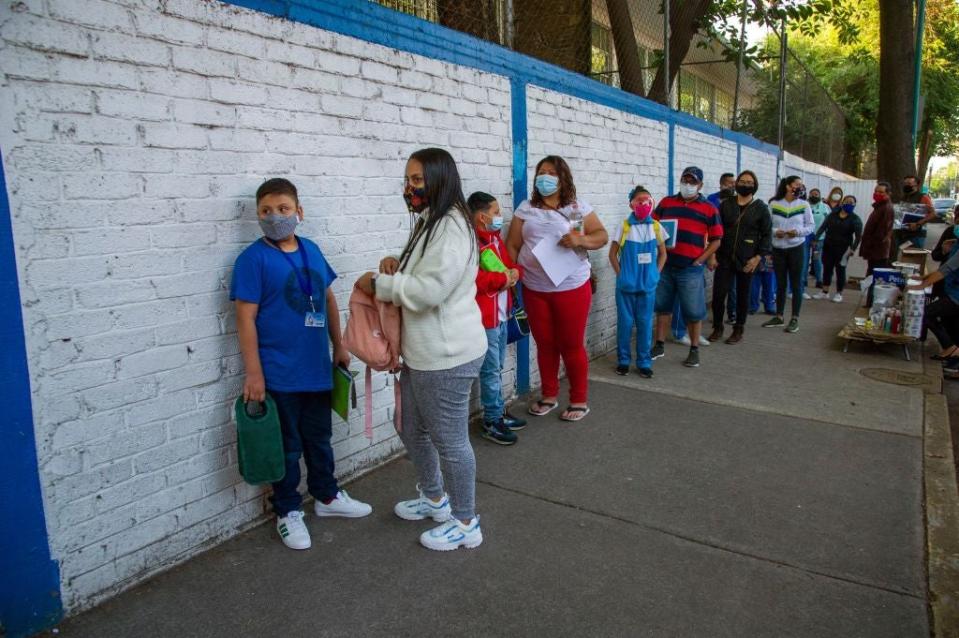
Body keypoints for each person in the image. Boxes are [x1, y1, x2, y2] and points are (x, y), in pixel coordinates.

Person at [356, 148, 487, 551]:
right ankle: (435, 498)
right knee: (408, 425)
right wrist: (398, 263)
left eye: (417, 180)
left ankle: (466, 523)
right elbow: (425, 273)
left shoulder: (451, 226)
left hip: (448, 354)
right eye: (408, 180)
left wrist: (379, 285)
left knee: (449, 439)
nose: (410, 188)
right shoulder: (432, 220)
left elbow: (432, 291)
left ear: (439, 179)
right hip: (424, 352)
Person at [231, 178, 372, 551]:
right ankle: (288, 510)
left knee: (319, 439)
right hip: (278, 374)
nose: (275, 217)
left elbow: (327, 298)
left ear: (299, 212)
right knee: (287, 447)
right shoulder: (252, 260)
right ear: (257, 216)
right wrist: (254, 372)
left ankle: (327, 497)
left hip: (316, 370)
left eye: (283, 209)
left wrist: (338, 345)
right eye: (266, 211)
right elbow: (244, 319)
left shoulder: (311, 250)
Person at [506, 155, 608, 422]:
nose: (545, 177)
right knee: (545, 343)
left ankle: (579, 399)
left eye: (551, 173)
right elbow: (513, 245)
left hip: (571, 286)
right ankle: (549, 395)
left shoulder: (578, 207)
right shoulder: (525, 208)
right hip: (534, 288)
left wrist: (580, 238)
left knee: (571, 344)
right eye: (541, 172)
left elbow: (601, 236)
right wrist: (511, 273)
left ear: (563, 178)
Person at [651, 166, 723, 368]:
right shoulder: (667, 202)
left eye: (693, 182)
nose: (688, 185)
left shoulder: (709, 208)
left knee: (693, 310)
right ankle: (659, 344)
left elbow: (716, 239)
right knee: (663, 307)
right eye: (685, 180)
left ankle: (694, 349)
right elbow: (653, 226)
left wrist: (701, 259)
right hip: (665, 265)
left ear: (700, 185)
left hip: (690, 268)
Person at [467, 191, 523, 446]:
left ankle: (498, 411)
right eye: (496, 212)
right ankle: (491, 420)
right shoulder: (472, 245)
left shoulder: (495, 239)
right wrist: (504, 278)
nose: (500, 216)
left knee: (497, 367)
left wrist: (514, 273)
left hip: (501, 316)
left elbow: (510, 265)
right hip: (486, 320)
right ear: (481, 217)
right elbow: (474, 280)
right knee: (490, 371)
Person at [609, 186, 667, 377]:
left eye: (647, 200)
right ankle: (623, 360)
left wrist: (655, 274)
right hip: (626, 287)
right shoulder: (624, 227)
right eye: (639, 201)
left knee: (644, 325)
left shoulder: (656, 227)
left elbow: (663, 255)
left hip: (647, 288)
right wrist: (621, 274)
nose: (644, 204)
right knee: (625, 325)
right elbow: (612, 255)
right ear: (631, 204)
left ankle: (644, 362)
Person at [708, 170, 771, 344]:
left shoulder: (761, 208)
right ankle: (718, 327)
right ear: (736, 184)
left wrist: (758, 257)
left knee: (743, 295)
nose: (745, 184)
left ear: (755, 186)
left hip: (747, 259)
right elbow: (716, 231)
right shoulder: (726, 204)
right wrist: (712, 254)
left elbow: (766, 235)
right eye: (742, 181)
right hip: (724, 256)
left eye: (750, 182)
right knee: (719, 294)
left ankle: (738, 329)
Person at [763, 176, 814, 333]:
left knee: (797, 283)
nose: (799, 187)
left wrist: (797, 232)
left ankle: (794, 318)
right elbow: (766, 225)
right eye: (796, 184)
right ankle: (779, 316)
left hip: (796, 248)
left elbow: (811, 226)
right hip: (778, 249)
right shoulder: (774, 203)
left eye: (801, 185)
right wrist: (775, 232)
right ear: (787, 186)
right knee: (780, 284)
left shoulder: (804, 204)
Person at [908, 234, 959, 376]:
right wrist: (923, 278)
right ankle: (952, 354)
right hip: (952, 292)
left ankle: (951, 350)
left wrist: (924, 284)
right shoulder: (956, 243)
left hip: (956, 296)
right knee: (949, 323)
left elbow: (947, 269)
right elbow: (944, 266)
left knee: (926, 312)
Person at [813, 195, 863, 303]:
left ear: (854, 205)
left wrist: (853, 248)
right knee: (827, 268)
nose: (848, 204)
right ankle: (824, 292)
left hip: (844, 248)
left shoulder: (855, 219)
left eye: (851, 202)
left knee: (840, 270)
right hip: (829, 245)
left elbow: (858, 236)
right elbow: (823, 227)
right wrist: (816, 239)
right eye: (847, 201)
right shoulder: (833, 215)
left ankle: (839, 293)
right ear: (842, 202)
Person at [707, 173, 738, 324]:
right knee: (718, 285)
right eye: (729, 183)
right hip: (714, 244)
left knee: (731, 284)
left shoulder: (737, 200)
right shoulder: (711, 199)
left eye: (734, 183)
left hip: (730, 246)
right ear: (721, 184)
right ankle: (717, 315)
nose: (732, 185)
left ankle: (732, 313)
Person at [859, 181, 895, 307]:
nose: (877, 194)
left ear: (888, 194)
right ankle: (870, 303)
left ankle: (872, 303)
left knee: (875, 278)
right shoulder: (879, 207)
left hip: (878, 251)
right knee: (871, 277)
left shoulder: (886, 208)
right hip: (874, 250)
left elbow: (882, 232)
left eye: (881, 192)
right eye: (876, 191)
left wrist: (870, 245)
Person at [894, 175, 937, 252]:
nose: (906, 185)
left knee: (914, 260)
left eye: (909, 183)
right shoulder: (903, 197)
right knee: (901, 260)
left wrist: (918, 224)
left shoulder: (923, 197)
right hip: (902, 234)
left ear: (916, 185)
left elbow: (933, 213)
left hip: (916, 235)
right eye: (905, 183)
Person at [807, 188, 831, 289]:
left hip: (819, 239)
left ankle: (819, 280)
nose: (814, 196)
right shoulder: (805, 205)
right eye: (812, 194)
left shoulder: (825, 207)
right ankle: (803, 280)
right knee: (805, 259)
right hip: (806, 237)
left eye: (816, 194)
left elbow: (829, 221)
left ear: (820, 195)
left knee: (817, 259)